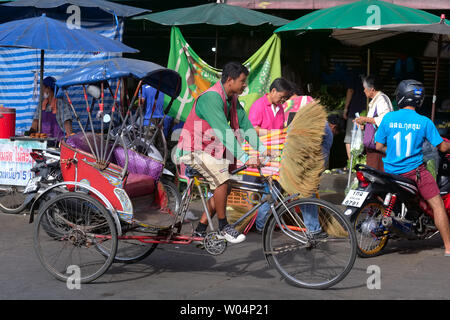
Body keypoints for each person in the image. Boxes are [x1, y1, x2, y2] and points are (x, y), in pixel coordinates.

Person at [176, 62, 267, 244]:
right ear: (230, 80)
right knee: (222, 180)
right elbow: (223, 132)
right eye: (242, 81)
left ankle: (201, 229)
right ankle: (223, 226)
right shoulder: (211, 98)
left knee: (225, 187)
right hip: (193, 150)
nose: (244, 85)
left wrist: (264, 150)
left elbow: (245, 125)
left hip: (210, 151)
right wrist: (246, 157)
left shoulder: (231, 98)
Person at [375, 79, 450, 256]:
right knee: (438, 205)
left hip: (391, 172)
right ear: (419, 100)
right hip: (414, 173)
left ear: (400, 97)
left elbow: (378, 146)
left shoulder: (388, 118)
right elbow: (442, 147)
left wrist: (392, 151)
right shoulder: (424, 122)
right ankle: (448, 247)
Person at [354, 75, 393, 171]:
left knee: (378, 175)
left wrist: (365, 119)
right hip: (374, 148)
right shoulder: (376, 100)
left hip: (379, 148)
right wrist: (364, 126)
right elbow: (374, 122)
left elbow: (385, 120)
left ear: (372, 89)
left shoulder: (382, 100)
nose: (363, 91)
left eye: (364, 88)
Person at [29, 76, 73, 141]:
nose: (41, 91)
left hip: (58, 141)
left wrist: (69, 138)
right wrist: (30, 133)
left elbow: (67, 121)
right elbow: (36, 120)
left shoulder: (61, 102)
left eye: (43, 88)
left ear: (48, 88)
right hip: (43, 141)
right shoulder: (42, 103)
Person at [343, 69, 366, 162]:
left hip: (355, 109)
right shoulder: (373, 71)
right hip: (367, 110)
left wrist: (346, 108)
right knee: (365, 137)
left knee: (349, 136)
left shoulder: (354, 72)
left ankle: (352, 162)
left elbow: (350, 90)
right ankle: (360, 162)